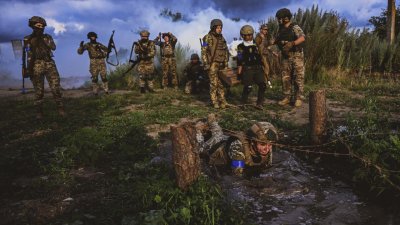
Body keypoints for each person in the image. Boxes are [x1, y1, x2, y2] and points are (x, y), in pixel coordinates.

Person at [196, 114, 278, 177]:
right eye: (263, 144)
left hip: (226, 141)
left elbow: (267, 168)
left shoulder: (267, 146)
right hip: (215, 148)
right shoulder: (238, 146)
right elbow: (237, 174)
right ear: (253, 142)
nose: (267, 148)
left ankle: (212, 122)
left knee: (218, 133)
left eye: (270, 144)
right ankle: (206, 124)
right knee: (201, 146)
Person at [23, 16, 65, 119]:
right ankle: (39, 112)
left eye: (42, 26)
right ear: (33, 26)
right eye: (38, 25)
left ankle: (60, 108)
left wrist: (43, 39)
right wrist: (26, 68)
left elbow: (53, 47)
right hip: (36, 65)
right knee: (39, 90)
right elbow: (27, 54)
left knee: (55, 87)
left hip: (49, 63)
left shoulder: (47, 37)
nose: (40, 27)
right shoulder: (27, 39)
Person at [275, 8, 306, 107]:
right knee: (285, 77)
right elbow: (277, 40)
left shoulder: (294, 27)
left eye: (280, 18)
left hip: (296, 55)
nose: (278, 20)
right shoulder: (280, 29)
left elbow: (302, 37)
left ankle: (298, 98)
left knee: (298, 77)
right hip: (285, 56)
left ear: (285, 18)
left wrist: (292, 43)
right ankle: (287, 97)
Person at [201, 19, 229, 109]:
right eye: (217, 28)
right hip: (212, 64)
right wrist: (206, 63)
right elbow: (203, 52)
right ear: (213, 28)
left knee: (221, 84)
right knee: (214, 84)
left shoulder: (222, 38)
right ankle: (214, 102)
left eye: (220, 27)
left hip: (221, 64)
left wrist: (226, 63)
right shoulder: (207, 38)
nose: (219, 29)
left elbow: (225, 52)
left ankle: (223, 101)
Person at [237, 25, 267, 107]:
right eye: (247, 35)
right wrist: (239, 73)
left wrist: (263, 65)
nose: (249, 37)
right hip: (248, 69)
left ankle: (259, 103)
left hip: (258, 68)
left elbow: (262, 53)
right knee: (248, 87)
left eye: (250, 35)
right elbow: (239, 60)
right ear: (242, 35)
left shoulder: (256, 43)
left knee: (263, 86)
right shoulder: (240, 47)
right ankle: (242, 103)